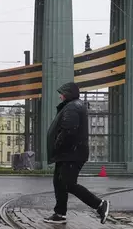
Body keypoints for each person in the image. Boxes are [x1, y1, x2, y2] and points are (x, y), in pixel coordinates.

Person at [44, 82, 110, 225]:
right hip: (69, 153)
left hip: (71, 153)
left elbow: (69, 130)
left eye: (62, 93)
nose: (60, 96)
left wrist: (57, 144)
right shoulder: (73, 106)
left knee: (68, 184)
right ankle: (60, 214)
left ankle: (100, 205)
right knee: (59, 182)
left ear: (67, 94)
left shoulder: (73, 107)